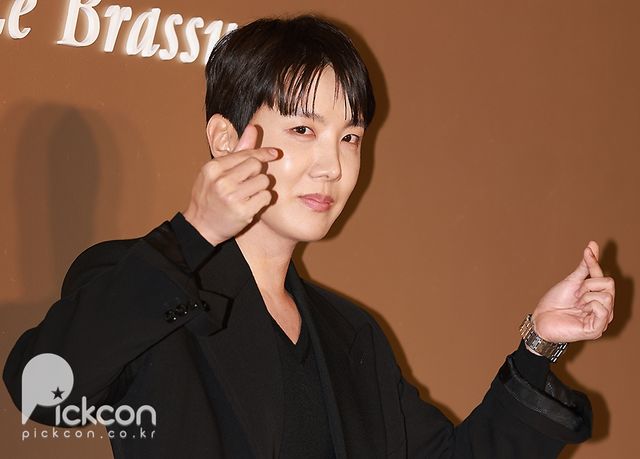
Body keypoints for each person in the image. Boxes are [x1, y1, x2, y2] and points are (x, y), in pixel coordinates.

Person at [4, 15, 614, 459]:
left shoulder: (351, 334)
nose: (333, 165)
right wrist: (195, 233)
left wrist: (539, 346)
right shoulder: (144, 283)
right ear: (225, 140)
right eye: (303, 130)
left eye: (350, 137)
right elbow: (43, 390)